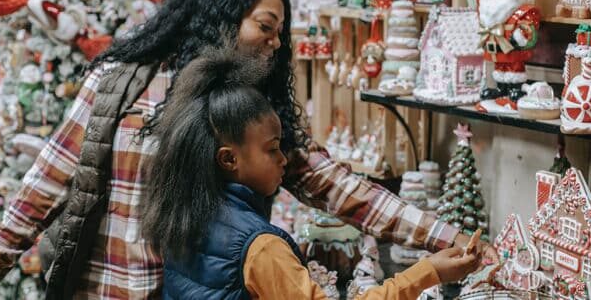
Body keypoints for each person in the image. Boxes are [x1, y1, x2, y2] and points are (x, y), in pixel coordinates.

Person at [0, 0, 496, 299]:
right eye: (265, 27)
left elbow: (342, 188)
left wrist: (447, 237)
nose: (275, 45)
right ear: (221, 17)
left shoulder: (246, 114)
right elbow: (40, 191)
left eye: (280, 33)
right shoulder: (120, 83)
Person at [145, 51, 481, 299]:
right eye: (273, 148)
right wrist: (428, 272)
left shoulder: (183, 213)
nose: (283, 161)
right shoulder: (260, 248)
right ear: (229, 159)